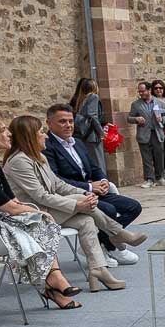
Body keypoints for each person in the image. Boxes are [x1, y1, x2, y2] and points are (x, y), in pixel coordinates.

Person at [0, 114, 84, 310]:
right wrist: (41, 213)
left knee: (37, 224)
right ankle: (54, 279)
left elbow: (13, 200)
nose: (9, 133)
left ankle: (53, 282)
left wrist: (35, 213)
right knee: (39, 222)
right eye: (3, 130)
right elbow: (10, 207)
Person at [1, 115, 147, 292]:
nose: (45, 136)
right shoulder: (19, 161)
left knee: (86, 221)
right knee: (82, 204)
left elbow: (59, 185)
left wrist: (85, 192)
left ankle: (98, 270)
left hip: (50, 211)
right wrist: (78, 203)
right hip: (32, 215)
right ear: (30, 136)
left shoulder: (38, 157)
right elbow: (40, 196)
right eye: (41, 132)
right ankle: (117, 233)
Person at [43, 103, 142, 267]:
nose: (68, 125)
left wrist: (103, 181)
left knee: (133, 207)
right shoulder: (47, 147)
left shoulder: (78, 143)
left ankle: (104, 242)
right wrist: (89, 187)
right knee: (109, 210)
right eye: (62, 121)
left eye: (70, 121)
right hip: (72, 196)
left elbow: (95, 167)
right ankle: (110, 245)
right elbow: (56, 179)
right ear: (49, 123)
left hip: (95, 191)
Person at [127, 80, 165, 187]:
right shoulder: (136, 104)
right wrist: (136, 119)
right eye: (139, 92)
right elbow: (129, 118)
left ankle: (160, 177)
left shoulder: (160, 102)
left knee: (159, 156)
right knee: (146, 157)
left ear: (149, 90)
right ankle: (149, 179)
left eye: (143, 91)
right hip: (143, 133)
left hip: (156, 132)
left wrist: (162, 119)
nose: (141, 93)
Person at [68, 77, 107, 172]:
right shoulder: (93, 97)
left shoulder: (80, 99)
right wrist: (101, 132)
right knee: (98, 164)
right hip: (92, 136)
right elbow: (92, 115)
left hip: (83, 135)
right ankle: (102, 183)